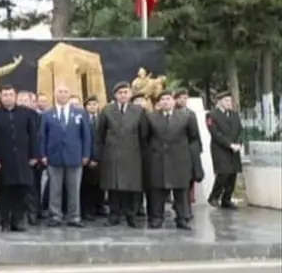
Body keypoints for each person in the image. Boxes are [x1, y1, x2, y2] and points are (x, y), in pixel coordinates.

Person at [144, 92, 203, 229]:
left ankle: (182, 218)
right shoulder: (151, 117)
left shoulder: (186, 116)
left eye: (168, 99)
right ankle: (157, 217)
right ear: (158, 103)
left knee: (181, 191)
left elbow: (193, 138)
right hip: (158, 159)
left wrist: (193, 156)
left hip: (180, 159)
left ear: (173, 101)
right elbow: (145, 138)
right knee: (157, 191)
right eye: (162, 99)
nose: (165, 101)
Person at [94, 82, 148, 228]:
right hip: (112, 154)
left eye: (126, 92)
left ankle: (131, 216)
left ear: (130, 94)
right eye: (120, 93)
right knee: (114, 187)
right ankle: (114, 215)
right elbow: (100, 133)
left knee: (131, 187)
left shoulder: (138, 111)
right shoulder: (107, 110)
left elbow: (144, 135)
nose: (123, 95)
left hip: (132, 154)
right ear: (115, 95)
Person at [0, 85, 40, 232]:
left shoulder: (27, 113)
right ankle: (4, 221)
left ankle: (17, 220)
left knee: (21, 191)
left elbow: (33, 135)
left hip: (23, 159)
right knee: (5, 192)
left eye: (10, 94)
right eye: (5, 95)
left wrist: (34, 155)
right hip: (4, 160)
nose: (8, 97)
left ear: (15, 96)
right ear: (0, 97)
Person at [40, 84, 91, 228]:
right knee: (55, 188)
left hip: (75, 156)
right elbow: (43, 136)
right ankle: (55, 215)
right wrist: (43, 154)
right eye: (60, 92)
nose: (62, 94)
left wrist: (86, 154)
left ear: (69, 94)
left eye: (65, 91)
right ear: (55, 94)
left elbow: (86, 136)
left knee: (74, 188)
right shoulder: (47, 114)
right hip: (54, 156)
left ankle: (74, 216)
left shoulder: (80, 113)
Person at [206, 91, 243, 209]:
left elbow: (240, 130)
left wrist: (238, 143)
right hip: (220, 149)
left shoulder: (234, 114)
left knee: (233, 174)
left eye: (230, 101)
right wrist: (229, 144)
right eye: (226, 100)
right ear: (220, 101)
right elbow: (215, 133)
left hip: (234, 149)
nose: (229, 103)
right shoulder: (211, 115)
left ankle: (226, 199)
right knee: (223, 173)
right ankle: (214, 196)